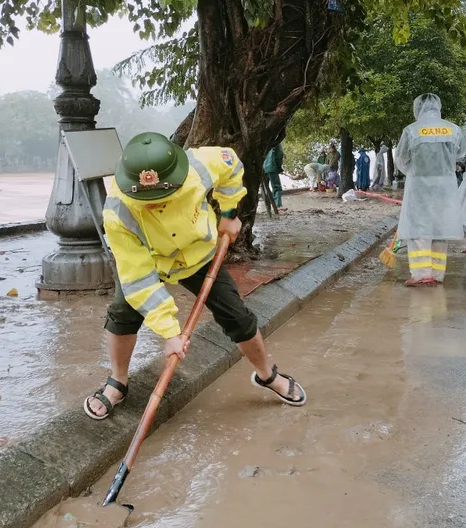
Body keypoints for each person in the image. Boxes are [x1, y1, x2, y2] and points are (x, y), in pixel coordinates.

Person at [85, 132, 306, 420]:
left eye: (162, 196)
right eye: (147, 200)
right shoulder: (117, 212)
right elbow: (137, 279)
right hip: (152, 260)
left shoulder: (198, 165)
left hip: (198, 254)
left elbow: (232, 166)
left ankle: (267, 375)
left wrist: (229, 212)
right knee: (122, 314)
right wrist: (170, 333)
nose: (155, 204)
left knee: (237, 316)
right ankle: (118, 381)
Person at [394, 93, 466, 286]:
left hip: (419, 186)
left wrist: (415, 170)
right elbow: (460, 153)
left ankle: (421, 274)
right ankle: (436, 274)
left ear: (418, 108)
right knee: (440, 228)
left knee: (419, 228)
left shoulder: (411, 130)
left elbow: (401, 159)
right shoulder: (453, 129)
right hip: (445, 186)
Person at [263, 141, 285, 210]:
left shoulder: (263, 140)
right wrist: (279, 167)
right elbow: (279, 154)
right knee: (276, 187)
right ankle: (278, 205)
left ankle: (267, 206)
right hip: (271, 166)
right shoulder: (276, 141)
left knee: (264, 187)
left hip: (262, 168)